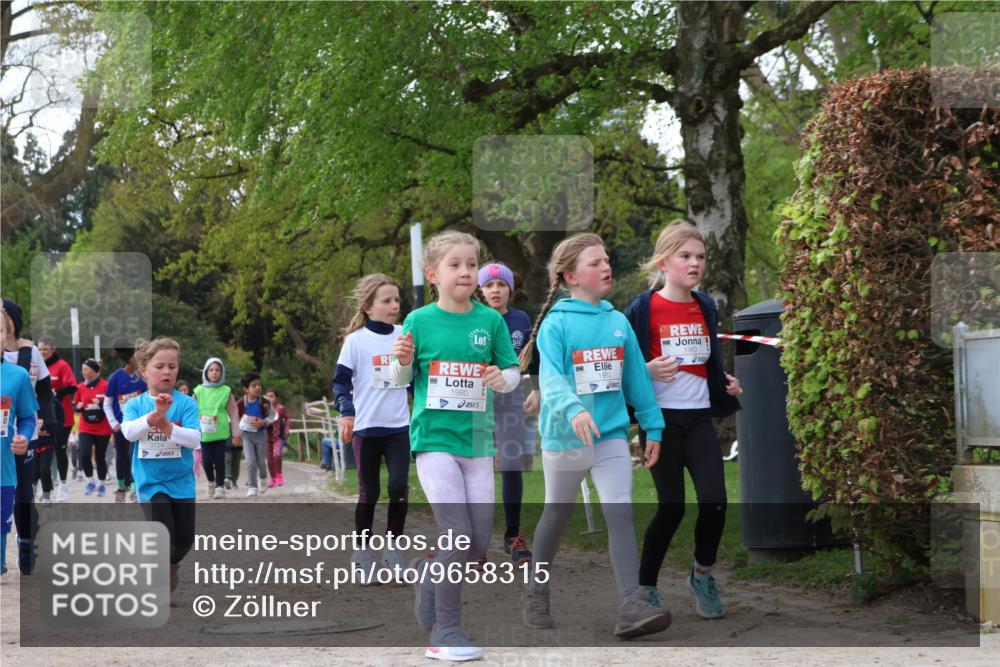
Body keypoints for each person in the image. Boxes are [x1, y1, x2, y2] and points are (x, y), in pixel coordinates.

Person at [518, 232, 671, 639]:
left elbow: (637, 380)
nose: (606, 267)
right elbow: (549, 379)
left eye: (606, 260)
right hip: (565, 438)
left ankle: (630, 604)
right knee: (557, 513)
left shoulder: (617, 321)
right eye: (594, 262)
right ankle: (537, 587)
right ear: (569, 275)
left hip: (611, 436)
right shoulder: (556, 324)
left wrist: (653, 426)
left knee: (619, 510)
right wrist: (574, 410)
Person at [389, 231, 521, 662]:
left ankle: (429, 570)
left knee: (478, 543)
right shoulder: (418, 321)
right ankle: (445, 630)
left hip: (479, 442)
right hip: (434, 441)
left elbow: (511, 370)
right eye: (455, 264)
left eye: (471, 264)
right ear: (433, 274)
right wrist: (403, 361)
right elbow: (397, 382)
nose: (466, 271)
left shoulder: (491, 321)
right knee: (458, 535)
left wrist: (505, 379)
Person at [624, 220, 743, 620]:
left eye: (701, 257)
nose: (695, 264)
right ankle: (646, 588)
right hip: (660, 423)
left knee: (715, 500)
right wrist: (647, 370)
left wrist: (723, 381)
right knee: (671, 507)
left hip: (698, 420)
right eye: (685, 256)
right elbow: (627, 367)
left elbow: (703, 358)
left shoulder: (705, 305)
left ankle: (702, 574)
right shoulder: (642, 309)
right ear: (663, 262)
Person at [333, 274, 411, 583]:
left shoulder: (406, 334)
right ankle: (363, 553)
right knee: (370, 492)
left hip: (398, 427)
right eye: (387, 301)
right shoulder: (356, 341)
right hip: (366, 428)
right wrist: (346, 412)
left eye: (397, 300)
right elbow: (340, 381)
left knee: (399, 489)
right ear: (368, 307)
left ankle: (394, 549)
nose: (394, 306)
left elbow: (414, 377)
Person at [121, 337, 201, 605]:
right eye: (160, 366)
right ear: (144, 370)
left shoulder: (186, 403)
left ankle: (170, 565)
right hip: (150, 483)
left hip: (181, 482)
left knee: (184, 541)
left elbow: (194, 439)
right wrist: (151, 419)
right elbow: (129, 433)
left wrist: (167, 427)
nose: (167, 372)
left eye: (172, 366)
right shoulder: (135, 405)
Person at [477, 262, 535, 565]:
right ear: (480, 290)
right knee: (479, 467)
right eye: (489, 285)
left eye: (501, 285)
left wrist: (535, 390)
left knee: (512, 463)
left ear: (511, 289)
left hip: (510, 399)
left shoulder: (521, 319)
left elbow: (530, 357)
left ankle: (513, 534)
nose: (495, 290)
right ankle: (476, 541)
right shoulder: (474, 318)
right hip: (476, 401)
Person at [2, 298, 58, 574]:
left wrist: (49, 419)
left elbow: (45, 390)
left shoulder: (31, 351)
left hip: (26, 434)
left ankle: (26, 542)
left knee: (24, 494)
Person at [1, 307, 38, 575]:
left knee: (2, 522)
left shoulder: (18, 376)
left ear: (7, 336)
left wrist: (24, 437)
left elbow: (27, 417)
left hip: (4, 470)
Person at [104, 339, 147, 503]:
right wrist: (113, 423)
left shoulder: (142, 379)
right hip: (120, 426)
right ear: (130, 359)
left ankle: (136, 488)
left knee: (135, 455)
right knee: (121, 456)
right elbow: (107, 404)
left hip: (138, 426)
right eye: (138, 358)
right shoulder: (115, 378)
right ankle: (121, 486)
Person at [194, 358, 241, 499]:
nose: (214, 373)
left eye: (217, 370)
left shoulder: (226, 391)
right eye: (211, 370)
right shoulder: (198, 391)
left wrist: (236, 434)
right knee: (207, 460)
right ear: (206, 372)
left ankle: (220, 487)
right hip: (204, 433)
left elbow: (234, 413)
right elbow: (191, 411)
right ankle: (211, 482)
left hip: (220, 432)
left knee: (220, 459)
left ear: (222, 372)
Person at [38, 336, 76, 502]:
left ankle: (63, 485)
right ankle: (46, 487)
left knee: (60, 451)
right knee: (42, 451)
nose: (42, 352)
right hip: (42, 417)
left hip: (63, 418)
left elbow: (72, 386)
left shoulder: (62, 365)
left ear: (53, 349)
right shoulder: (37, 367)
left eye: (45, 349)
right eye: (39, 349)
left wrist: (55, 393)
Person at [75, 359, 113, 499]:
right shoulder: (80, 387)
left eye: (86, 369)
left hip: (103, 427)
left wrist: (102, 402)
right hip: (86, 426)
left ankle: (102, 484)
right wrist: (77, 407)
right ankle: (90, 481)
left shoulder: (106, 386)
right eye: (82, 369)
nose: (83, 372)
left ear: (95, 371)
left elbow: (112, 403)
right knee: (84, 454)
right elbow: (76, 405)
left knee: (100, 457)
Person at [235, 372, 277, 497]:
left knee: (261, 463)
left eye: (259, 385)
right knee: (250, 461)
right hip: (246, 436)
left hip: (261, 435)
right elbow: (234, 418)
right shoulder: (241, 403)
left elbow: (273, 415)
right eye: (254, 385)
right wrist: (236, 434)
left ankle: (263, 478)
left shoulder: (265, 402)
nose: (258, 388)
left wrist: (263, 422)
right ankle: (252, 486)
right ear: (246, 389)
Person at [264, 388, 289, 487]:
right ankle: (273, 478)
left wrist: (286, 430)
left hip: (278, 437)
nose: (269, 398)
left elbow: (287, 418)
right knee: (269, 459)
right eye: (268, 396)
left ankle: (279, 476)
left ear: (276, 398)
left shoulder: (280, 408)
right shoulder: (264, 408)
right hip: (266, 438)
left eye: (272, 396)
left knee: (276, 455)